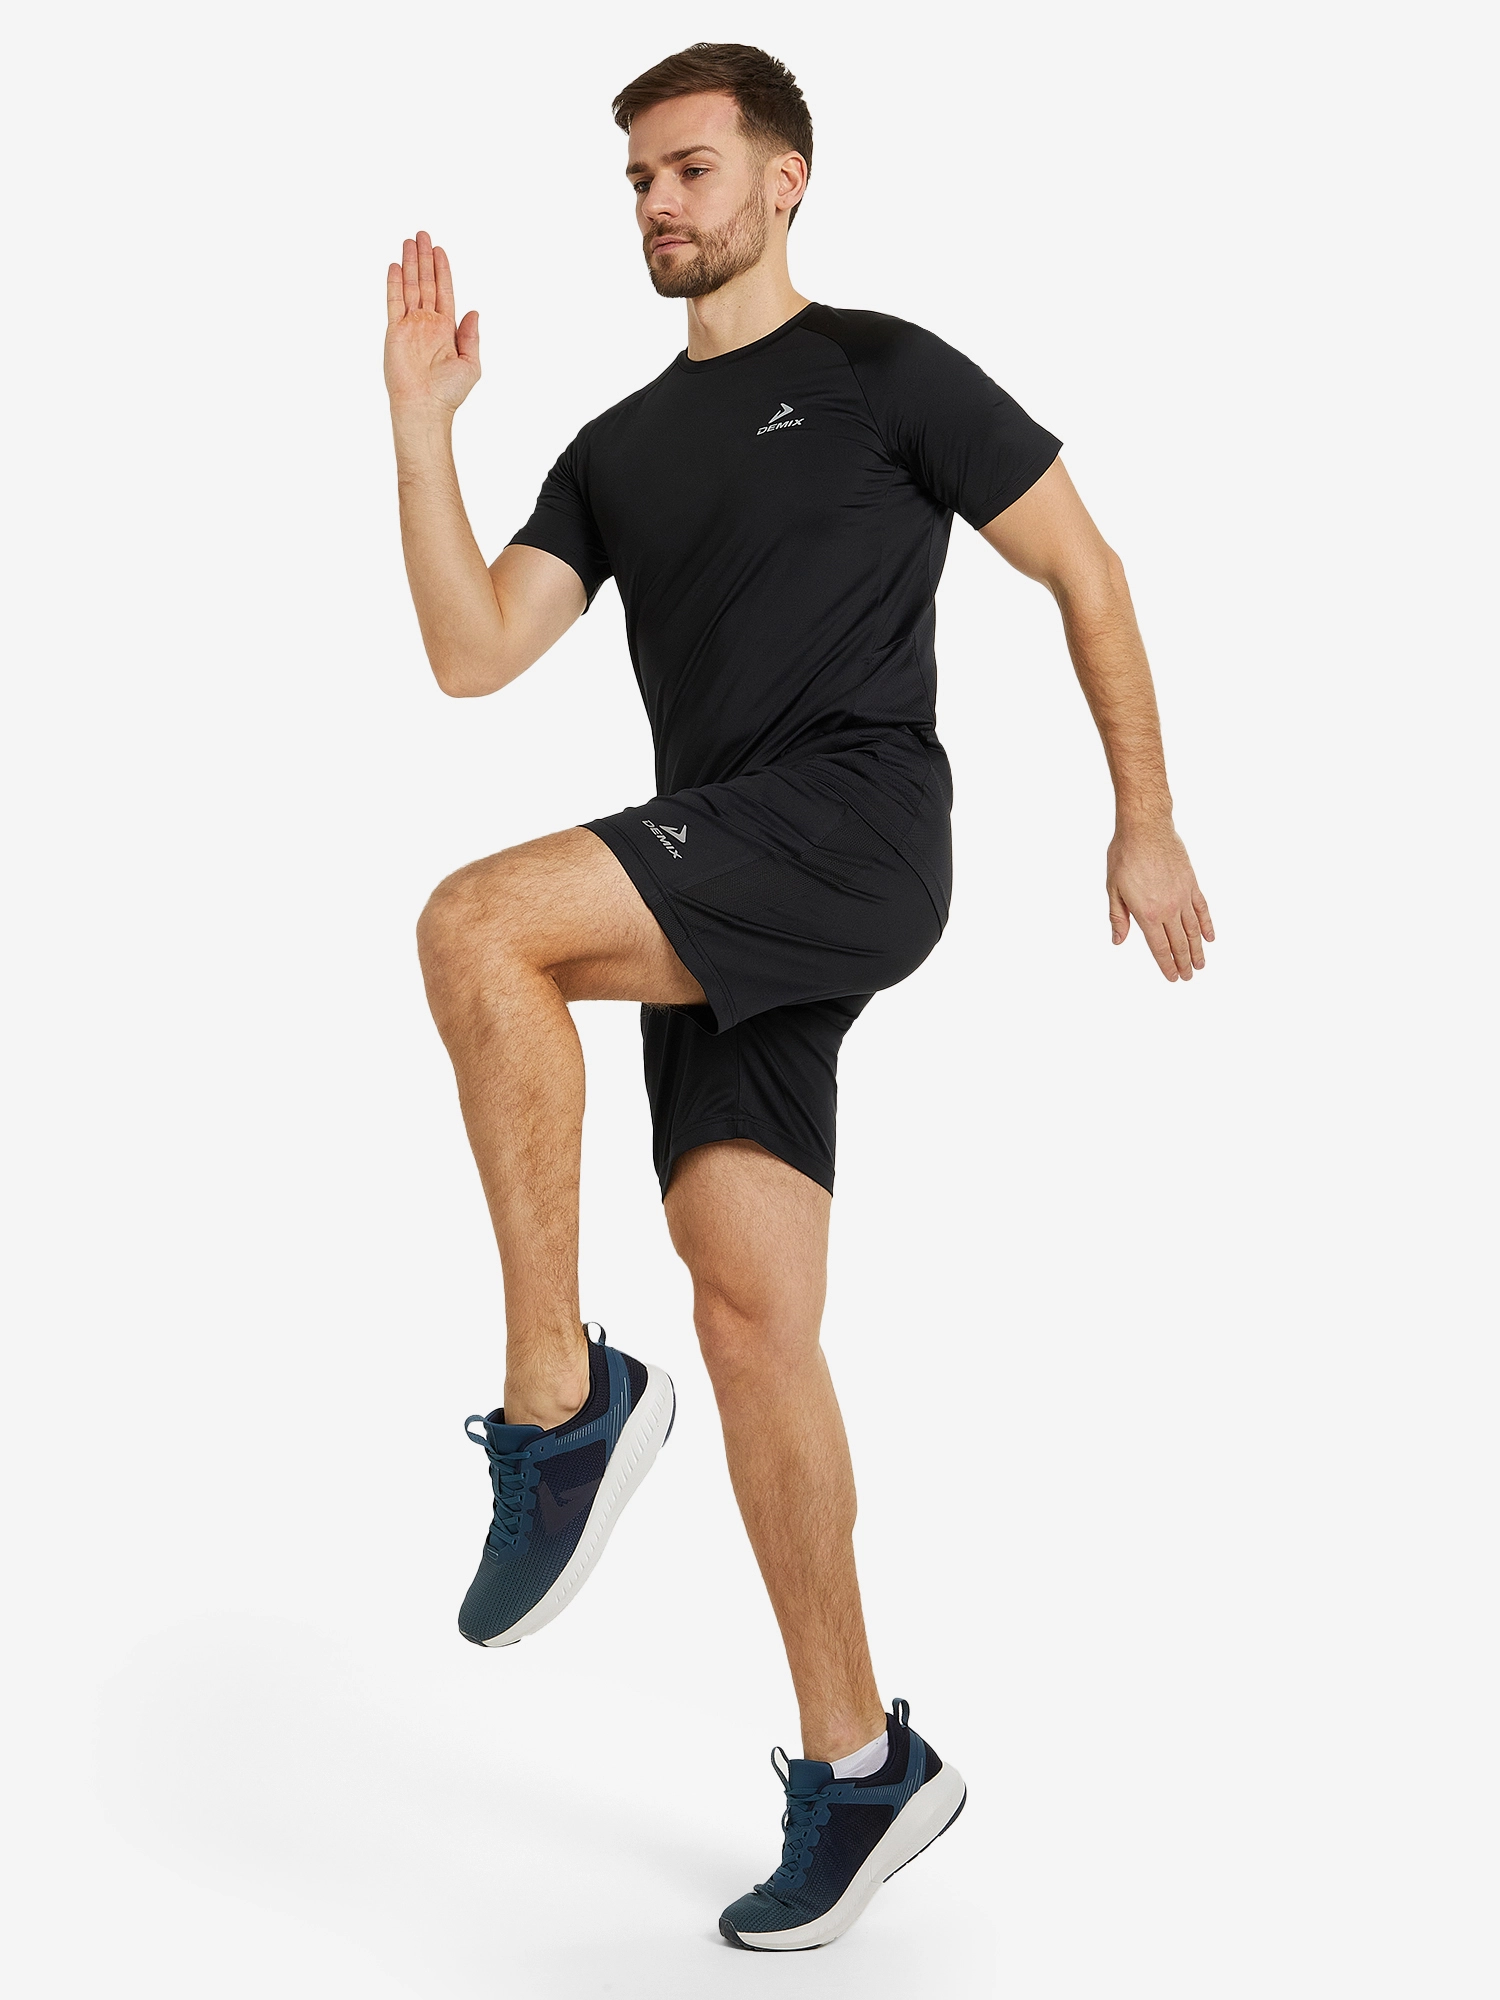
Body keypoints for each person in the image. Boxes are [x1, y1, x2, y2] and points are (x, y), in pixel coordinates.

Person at [384, 41, 1213, 1952]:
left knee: (476, 926)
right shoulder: (613, 449)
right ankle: (859, 1768)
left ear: (785, 180)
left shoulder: (884, 373)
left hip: (850, 825)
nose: (660, 205)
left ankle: (558, 1403)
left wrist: (1145, 818)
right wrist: (423, 431)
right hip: (719, 888)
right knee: (754, 1321)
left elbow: (1085, 569)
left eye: (692, 169)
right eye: (638, 181)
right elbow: (472, 651)